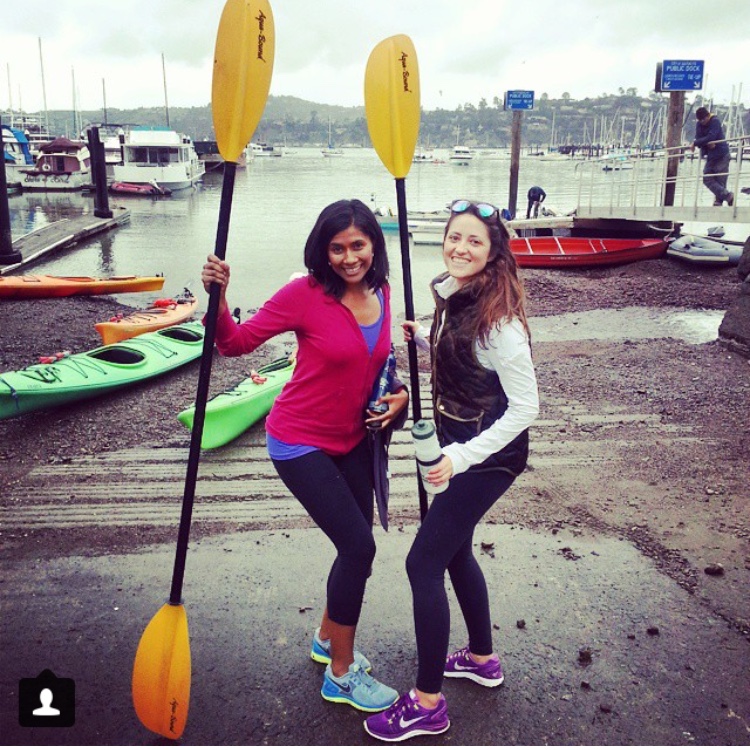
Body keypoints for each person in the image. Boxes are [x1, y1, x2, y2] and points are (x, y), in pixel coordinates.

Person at [200, 198, 409, 712]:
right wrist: (220, 297)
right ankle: (340, 674)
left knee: (353, 551)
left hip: (355, 438)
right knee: (360, 549)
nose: (348, 257)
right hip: (299, 441)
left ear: (374, 246)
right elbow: (235, 344)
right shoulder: (305, 294)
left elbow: (380, 362)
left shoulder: (382, 290)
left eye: (358, 245)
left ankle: (325, 638)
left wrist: (399, 397)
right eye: (336, 248)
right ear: (323, 250)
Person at [363, 198, 539, 742]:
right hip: (458, 446)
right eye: (454, 237)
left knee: (423, 563)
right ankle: (482, 659)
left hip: (486, 458)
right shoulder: (458, 295)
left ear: (493, 254)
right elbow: (463, 356)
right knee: (455, 550)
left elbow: (526, 406)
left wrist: (457, 458)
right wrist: (423, 339)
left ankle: (427, 704)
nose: (460, 248)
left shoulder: (501, 323)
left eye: (474, 242)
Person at [691, 106, 733, 207]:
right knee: (707, 178)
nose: (702, 122)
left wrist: (696, 143)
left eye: (703, 119)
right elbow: (699, 138)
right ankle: (728, 196)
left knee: (720, 179)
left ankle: (719, 202)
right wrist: (705, 142)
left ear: (708, 116)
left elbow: (711, 136)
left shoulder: (715, 121)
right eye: (700, 120)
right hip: (710, 155)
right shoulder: (699, 124)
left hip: (722, 154)